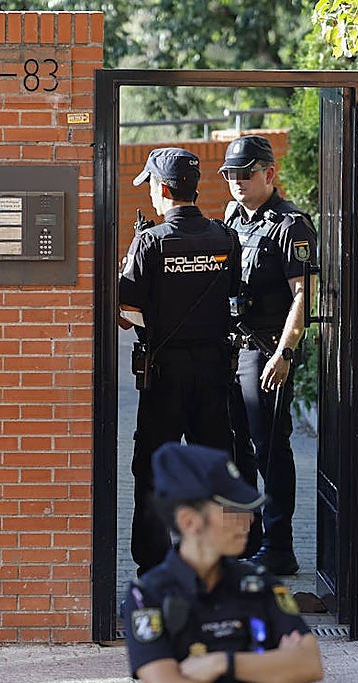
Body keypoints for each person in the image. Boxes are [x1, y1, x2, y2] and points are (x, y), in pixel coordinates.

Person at [121, 442, 324, 683]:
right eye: (231, 511)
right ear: (189, 520)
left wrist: (223, 665)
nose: (247, 521)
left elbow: (308, 665)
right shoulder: (150, 596)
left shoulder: (259, 586)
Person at [119, 147, 242, 576]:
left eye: (152, 185)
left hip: (164, 373)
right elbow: (233, 295)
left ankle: (155, 564)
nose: (151, 194)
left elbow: (126, 312)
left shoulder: (149, 241)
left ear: (164, 188)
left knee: (153, 469)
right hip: (213, 371)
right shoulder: (225, 237)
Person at [220, 135, 318, 575]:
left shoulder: (291, 224)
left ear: (269, 175)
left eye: (246, 173)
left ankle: (280, 546)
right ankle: (248, 538)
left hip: (266, 353)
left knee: (270, 451)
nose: (238, 181)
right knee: (238, 451)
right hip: (232, 350)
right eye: (231, 175)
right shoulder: (232, 217)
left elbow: (303, 295)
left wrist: (285, 352)